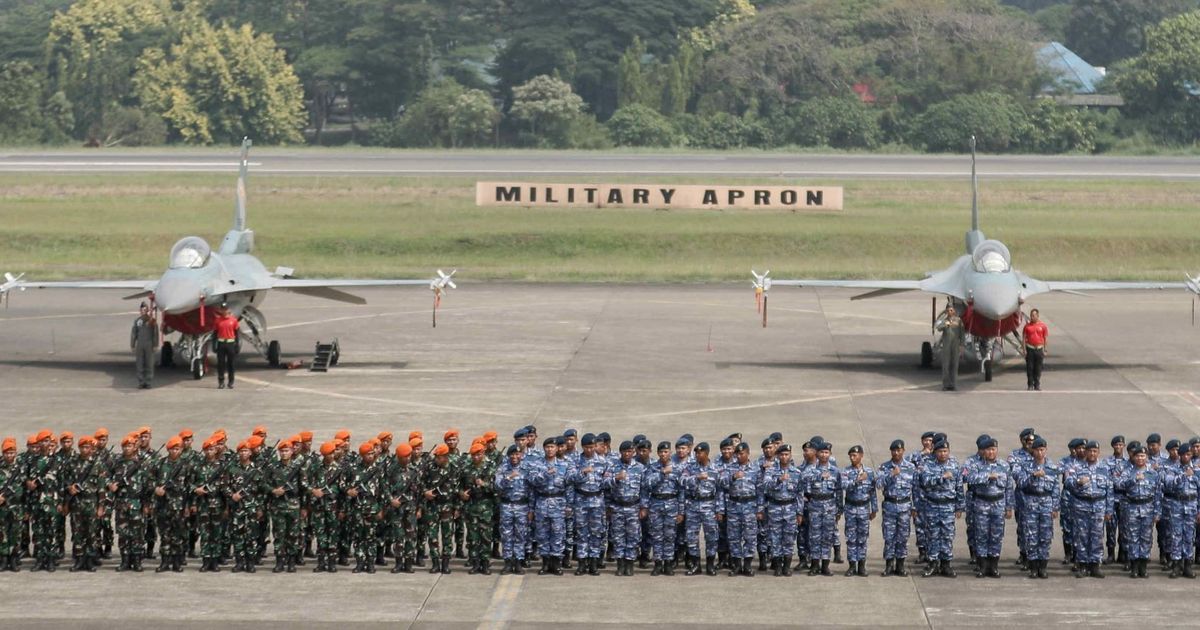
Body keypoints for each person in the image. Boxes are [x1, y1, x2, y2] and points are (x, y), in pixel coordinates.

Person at [964, 436, 1013, 578]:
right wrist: (986, 476)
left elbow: (1009, 488)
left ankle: (994, 566)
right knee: (981, 535)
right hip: (981, 503)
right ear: (983, 451)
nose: (991, 452)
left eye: (993, 449)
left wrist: (1009, 507)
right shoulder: (976, 465)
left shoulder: (1004, 466)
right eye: (988, 450)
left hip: (998, 504)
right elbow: (968, 478)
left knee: (996, 536)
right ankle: (982, 566)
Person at [1013, 436, 1059, 579]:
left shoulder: (1051, 467)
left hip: (1046, 503)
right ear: (1033, 451)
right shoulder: (1026, 467)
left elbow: (1056, 489)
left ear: (1045, 450)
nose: (1040, 453)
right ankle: (1033, 567)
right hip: (1030, 504)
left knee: (1045, 537)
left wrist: (1055, 507)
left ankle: (1043, 567)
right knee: (1031, 536)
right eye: (1037, 450)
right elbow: (1020, 483)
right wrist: (1033, 476)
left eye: (1042, 450)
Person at [1066, 440, 1113, 578]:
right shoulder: (1076, 467)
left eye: (1095, 451)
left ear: (1098, 453)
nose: (1092, 454)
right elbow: (1068, 483)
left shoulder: (1105, 468)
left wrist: (1109, 510)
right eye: (1090, 451)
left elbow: (1109, 490)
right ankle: (1082, 565)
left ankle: (1095, 565)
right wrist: (1077, 482)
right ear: (1085, 452)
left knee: (1097, 537)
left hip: (1098, 506)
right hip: (1081, 506)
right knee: (1082, 536)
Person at [919, 439, 963, 578]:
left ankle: (946, 564)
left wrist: (959, 506)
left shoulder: (955, 466)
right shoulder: (928, 465)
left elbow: (959, 487)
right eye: (940, 451)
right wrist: (941, 477)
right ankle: (933, 563)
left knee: (947, 535)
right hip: (932, 505)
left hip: (948, 505)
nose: (943, 454)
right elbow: (925, 482)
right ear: (935, 452)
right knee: (933, 535)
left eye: (945, 451)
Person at [1117, 443, 1161, 579]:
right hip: (1132, 508)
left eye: (1143, 456)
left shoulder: (1152, 473)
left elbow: (1158, 494)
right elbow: (1119, 485)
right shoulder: (1128, 472)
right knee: (1132, 538)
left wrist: (1157, 512)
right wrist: (1133, 479)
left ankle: (1143, 567)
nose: (1140, 458)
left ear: (1147, 457)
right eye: (1138, 456)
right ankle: (1134, 567)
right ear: (1134, 457)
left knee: (1146, 538)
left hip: (1148, 508)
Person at [604, 441, 645, 576]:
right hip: (617, 507)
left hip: (633, 507)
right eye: (624, 451)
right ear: (620, 452)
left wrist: (644, 507)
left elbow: (644, 490)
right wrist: (616, 478)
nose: (627, 454)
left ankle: (629, 564)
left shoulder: (640, 468)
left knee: (633, 537)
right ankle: (620, 564)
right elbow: (604, 485)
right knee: (618, 537)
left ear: (633, 452)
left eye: (629, 451)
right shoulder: (612, 466)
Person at [801, 441, 842, 576]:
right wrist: (819, 476)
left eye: (827, 453)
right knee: (814, 536)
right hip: (815, 505)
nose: (824, 455)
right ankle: (814, 565)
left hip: (830, 505)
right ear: (817, 454)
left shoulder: (835, 471)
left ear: (830, 454)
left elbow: (839, 490)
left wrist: (839, 509)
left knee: (827, 536)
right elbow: (803, 479)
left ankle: (825, 565)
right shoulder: (811, 469)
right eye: (822, 452)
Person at [762, 444, 803, 577]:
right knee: (775, 538)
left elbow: (800, 494)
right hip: (775, 508)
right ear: (778, 456)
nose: (784, 457)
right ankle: (777, 566)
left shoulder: (796, 473)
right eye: (782, 455)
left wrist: (799, 512)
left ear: (790, 455)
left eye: (787, 454)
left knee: (789, 538)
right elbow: (766, 486)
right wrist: (778, 480)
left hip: (790, 509)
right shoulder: (771, 470)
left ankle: (787, 566)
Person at [681, 442, 722, 576]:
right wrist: (696, 477)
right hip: (693, 505)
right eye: (697, 453)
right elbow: (682, 481)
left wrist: (719, 510)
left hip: (709, 506)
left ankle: (710, 565)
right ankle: (696, 564)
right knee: (691, 537)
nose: (698, 455)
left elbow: (720, 491)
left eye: (701, 453)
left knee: (712, 536)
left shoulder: (715, 469)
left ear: (707, 453)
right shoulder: (690, 467)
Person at [721, 442, 761, 577]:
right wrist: (733, 477)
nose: (739, 456)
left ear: (748, 453)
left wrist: (760, 509)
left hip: (750, 506)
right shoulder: (730, 468)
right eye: (737, 454)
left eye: (742, 453)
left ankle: (748, 565)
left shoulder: (755, 468)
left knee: (750, 537)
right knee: (734, 537)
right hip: (734, 506)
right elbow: (721, 483)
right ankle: (737, 565)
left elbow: (760, 491)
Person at [151, 436, 189, 573]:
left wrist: (188, 506)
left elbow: (189, 487)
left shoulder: (185, 466)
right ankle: (165, 562)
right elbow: (149, 479)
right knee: (165, 535)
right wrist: (155, 488)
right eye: (173, 449)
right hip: (163, 505)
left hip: (178, 506)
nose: (175, 451)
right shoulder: (160, 464)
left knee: (178, 535)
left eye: (177, 449)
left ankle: (177, 562)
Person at [644, 441, 682, 576]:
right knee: (657, 535)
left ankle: (668, 563)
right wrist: (662, 473)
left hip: (672, 503)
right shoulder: (653, 467)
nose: (663, 454)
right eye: (661, 452)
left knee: (670, 536)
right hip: (656, 503)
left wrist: (681, 511)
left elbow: (681, 491)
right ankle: (658, 563)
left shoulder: (677, 468)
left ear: (670, 452)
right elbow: (647, 484)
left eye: (666, 452)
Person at [460, 442, 496, 575]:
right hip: (471, 507)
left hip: (485, 507)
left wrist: (484, 484)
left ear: (483, 454)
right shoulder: (466, 469)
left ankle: (485, 564)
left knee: (486, 537)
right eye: (473, 455)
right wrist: (461, 494)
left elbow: (496, 488)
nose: (476, 457)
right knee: (473, 538)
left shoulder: (491, 468)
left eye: (478, 454)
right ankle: (475, 563)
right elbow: (459, 485)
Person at [1164, 446, 1199, 578]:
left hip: (1191, 505)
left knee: (1189, 536)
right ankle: (1176, 565)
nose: (1185, 457)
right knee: (1176, 535)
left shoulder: (1197, 470)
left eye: (1188, 454)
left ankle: (1188, 566)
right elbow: (1169, 484)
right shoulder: (1172, 469)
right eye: (1183, 454)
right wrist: (1184, 475)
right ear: (1179, 455)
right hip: (1177, 505)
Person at [841, 445, 876, 577]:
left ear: (861, 455)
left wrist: (874, 509)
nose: (852, 458)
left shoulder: (869, 472)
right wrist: (857, 481)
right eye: (850, 455)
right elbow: (844, 486)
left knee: (862, 538)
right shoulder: (846, 471)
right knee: (851, 538)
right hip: (851, 508)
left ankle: (861, 565)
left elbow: (872, 492)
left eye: (855, 455)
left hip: (864, 508)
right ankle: (851, 565)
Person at [495, 445, 530, 575]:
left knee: (520, 535)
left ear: (521, 455)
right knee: (507, 535)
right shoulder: (503, 468)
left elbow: (531, 490)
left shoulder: (526, 469)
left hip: (522, 506)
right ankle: (508, 562)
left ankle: (519, 562)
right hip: (507, 506)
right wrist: (508, 478)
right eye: (512, 454)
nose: (515, 457)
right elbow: (497, 486)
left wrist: (531, 509)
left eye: (517, 454)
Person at [130, 302, 159, 389]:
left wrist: (155, 344)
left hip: (149, 344)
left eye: (145, 309)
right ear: (140, 310)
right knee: (140, 363)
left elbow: (155, 333)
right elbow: (134, 333)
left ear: (148, 310)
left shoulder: (152, 321)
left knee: (149, 363)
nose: (144, 311)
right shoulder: (137, 321)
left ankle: (148, 382)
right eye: (142, 309)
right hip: (140, 344)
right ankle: (141, 382)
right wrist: (132, 345)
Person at [936, 303, 964, 391]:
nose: (950, 311)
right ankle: (945, 385)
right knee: (946, 365)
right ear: (946, 311)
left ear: (954, 311)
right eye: (948, 310)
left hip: (955, 346)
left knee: (955, 365)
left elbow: (962, 334)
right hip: (946, 346)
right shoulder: (944, 320)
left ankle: (953, 384)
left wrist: (962, 345)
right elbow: (938, 327)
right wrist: (945, 324)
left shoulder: (958, 321)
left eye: (951, 310)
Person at [213, 306, 240, 389]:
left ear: (229, 310)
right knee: (220, 364)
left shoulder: (234, 321)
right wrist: (215, 345)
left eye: (226, 309)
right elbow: (215, 334)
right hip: (221, 344)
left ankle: (231, 382)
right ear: (221, 311)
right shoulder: (217, 321)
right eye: (223, 309)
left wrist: (237, 345)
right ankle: (221, 382)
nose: (225, 311)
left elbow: (237, 334)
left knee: (231, 364)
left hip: (230, 343)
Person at [1022, 308, 1048, 391]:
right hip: (1030, 349)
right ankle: (1030, 385)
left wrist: (1045, 349)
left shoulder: (1043, 326)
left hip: (1039, 349)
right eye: (1031, 315)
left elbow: (1045, 338)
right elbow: (1023, 339)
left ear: (1037, 316)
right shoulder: (1027, 327)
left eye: (1034, 315)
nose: (1032, 317)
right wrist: (1024, 350)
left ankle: (1037, 384)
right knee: (1030, 368)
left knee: (1038, 368)